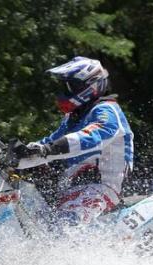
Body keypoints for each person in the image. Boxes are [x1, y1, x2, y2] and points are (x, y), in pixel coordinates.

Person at [13, 56, 133, 224]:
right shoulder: (73, 118)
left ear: (90, 86)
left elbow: (93, 135)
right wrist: (16, 157)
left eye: (71, 86)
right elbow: (49, 143)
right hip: (71, 190)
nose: (65, 91)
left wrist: (47, 150)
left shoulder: (107, 109)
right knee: (24, 217)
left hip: (102, 190)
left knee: (61, 228)